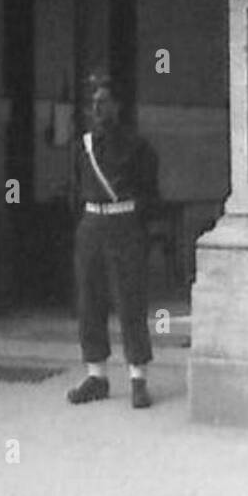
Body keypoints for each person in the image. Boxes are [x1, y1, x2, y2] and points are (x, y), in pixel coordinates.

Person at [67, 72, 160, 410]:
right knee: (89, 301)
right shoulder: (84, 146)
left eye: (104, 101)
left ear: (118, 106)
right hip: (92, 224)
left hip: (125, 224)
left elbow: (150, 193)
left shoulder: (138, 146)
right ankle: (97, 376)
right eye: (93, 102)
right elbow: (76, 187)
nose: (98, 108)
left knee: (129, 301)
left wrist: (134, 223)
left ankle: (138, 378)